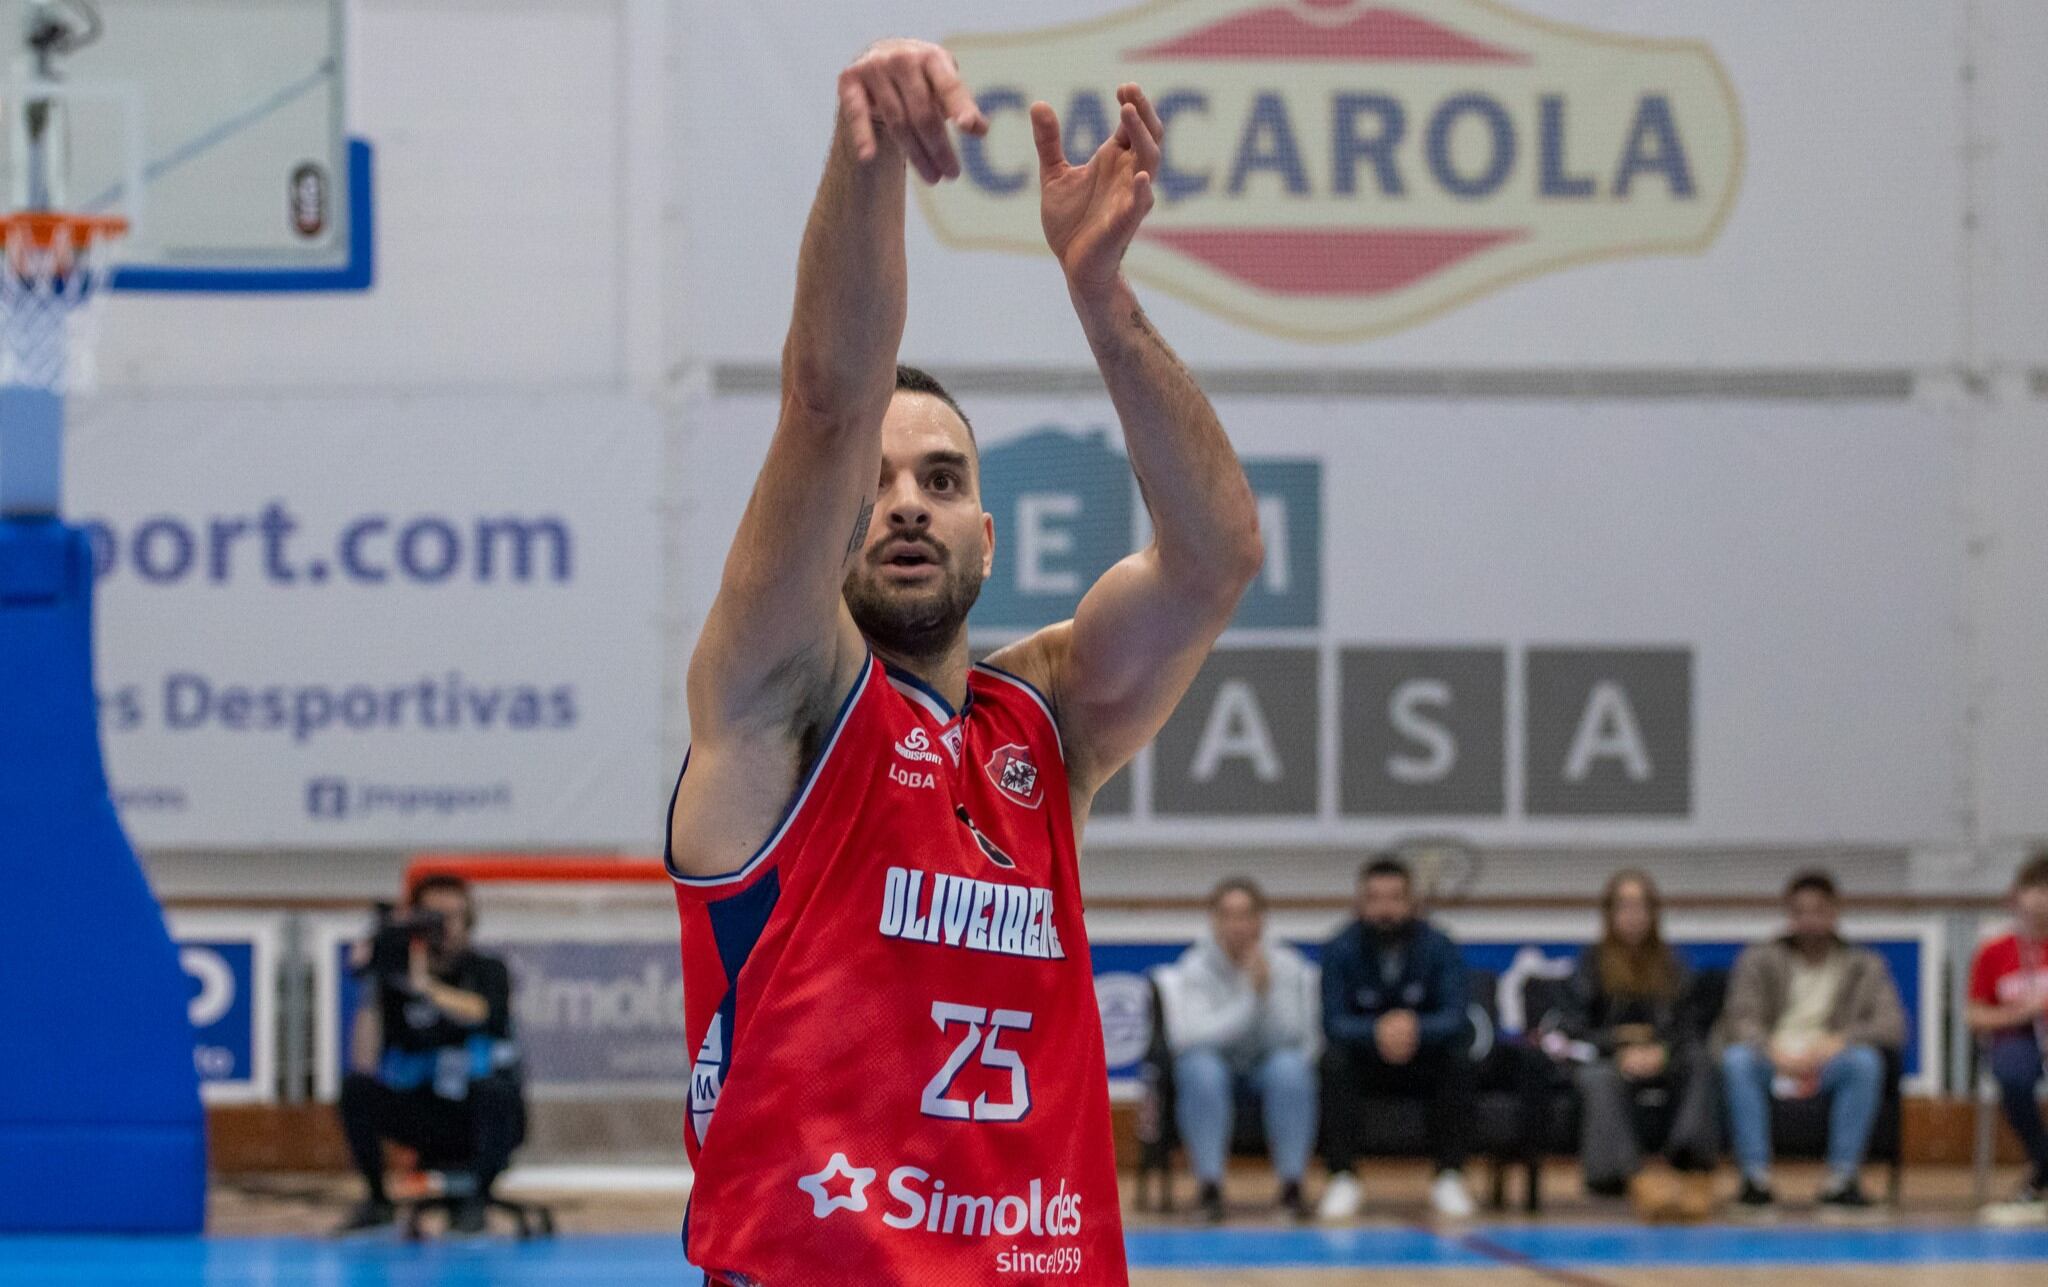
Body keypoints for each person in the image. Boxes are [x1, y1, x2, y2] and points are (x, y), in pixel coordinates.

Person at [663, 39, 1261, 1285]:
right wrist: (865, 157)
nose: (905, 506)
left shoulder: (1042, 725)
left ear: (987, 533)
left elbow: (1212, 561)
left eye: (941, 481)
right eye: (877, 485)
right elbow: (824, 405)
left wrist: (1102, 296)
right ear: (829, 525)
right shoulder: (779, 700)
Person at [334, 874, 519, 1235]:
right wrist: (372, 980)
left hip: (475, 1107)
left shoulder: (488, 970)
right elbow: (365, 1061)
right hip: (421, 1107)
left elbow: (482, 1012)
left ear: (468, 921)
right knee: (355, 1088)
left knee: (496, 1093)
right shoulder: (395, 980)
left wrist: (428, 989)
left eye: (452, 917)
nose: (443, 928)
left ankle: (476, 1200)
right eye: (433, 917)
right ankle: (377, 1200)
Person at [1718, 870, 1905, 1212]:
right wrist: (1772, 1050)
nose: (1810, 920)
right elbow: (1739, 1018)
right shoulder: (1759, 960)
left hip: (1830, 1061)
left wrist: (1838, 1043)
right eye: (1800, 912)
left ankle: (1842, 1179)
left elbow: (1891, 1024)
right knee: (1736, 1060)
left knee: (1864, 1062)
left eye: (1819, 910)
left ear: (1835, 912)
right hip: (1772, 1059)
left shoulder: (1864, 965)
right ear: (1789, 915)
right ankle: (1755, 1179)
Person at [1316, 856, 1477, 1221]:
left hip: (1424, 1058)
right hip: (1365, 1059)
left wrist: (1415, 1028)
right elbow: (1333, 1021)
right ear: (1360, 903)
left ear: (1412, 902)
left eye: (1395, 898)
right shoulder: (1340, 948)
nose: (1385, 909)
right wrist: (1376, 1031)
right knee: (1334, 1060)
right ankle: (1342, 1176)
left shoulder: (1439, 946)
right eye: (1375, 898)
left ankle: (1449, 1175)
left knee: (1457, 1058)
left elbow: (1455, 1016)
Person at [1553, 871, 1717, 1220]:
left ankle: (1689, 1166)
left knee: (1701, 1061)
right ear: (1609, 914)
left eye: (1641, 906)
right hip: (1610, 1060)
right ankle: (1630, 1177)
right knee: (1598, 1078)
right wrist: (1617, 1048)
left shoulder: (1675, 965)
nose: (1633, 915)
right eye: (1624, 906)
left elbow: (1691, 1027)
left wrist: (1662, 1052)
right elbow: (1572, 1027)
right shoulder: (1590, 963)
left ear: (1654, 913)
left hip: (1664, 1057)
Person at [1157, 877, 1319, 1223]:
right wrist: (1251, 998)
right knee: (1199, 1068)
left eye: (1246, 915)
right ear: (1214, 921)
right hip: (1217, 1067)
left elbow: (1293, 1035)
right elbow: (1190, 1037)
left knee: (1291, 1068)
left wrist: (1265, 993)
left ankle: (1292, 1186)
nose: (1237, 925)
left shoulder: (1286, 963)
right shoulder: (1195, 966)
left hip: (1267, 1066)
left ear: (1261, 920)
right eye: (1228, 915)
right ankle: (1209, 1187)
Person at [1969, 851, 2048, 1225]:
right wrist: (2019, 1013)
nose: (2042, 899)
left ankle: (2037, 1182)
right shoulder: (1995, 951)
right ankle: (2042, 1165)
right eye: (2035, 888)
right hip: (2017, 1038)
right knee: (2013, 1076)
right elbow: (1975, 1015)